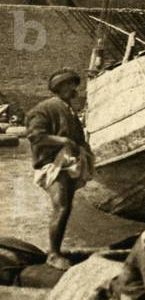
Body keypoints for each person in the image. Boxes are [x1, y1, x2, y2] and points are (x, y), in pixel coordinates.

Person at [26, 68, 94, 270]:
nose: (75, 89)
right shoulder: (45, 108)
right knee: (61, 206)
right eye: (71, 85)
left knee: (66, 206)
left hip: (66, 164)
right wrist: (62, 140)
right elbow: (35, 136)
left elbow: (77, 138)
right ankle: (53, 254)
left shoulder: (68, 109)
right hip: (52, 164)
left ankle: (56, 250)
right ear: (61, 87)